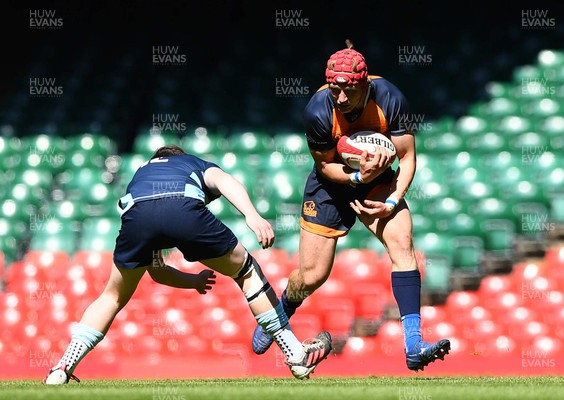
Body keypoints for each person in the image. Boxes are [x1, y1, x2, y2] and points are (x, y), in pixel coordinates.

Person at [43, 145, 332, 384]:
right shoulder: (191, 163)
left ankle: (61, 369)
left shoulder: (140, 174)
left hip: (138, 216)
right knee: (245, 271)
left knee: (112, 296)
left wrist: (191, 281)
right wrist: (251, 216)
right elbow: (225, 181)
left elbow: (154, 268)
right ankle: (295, 354)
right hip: (184, 209)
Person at [252, 41, 450, 371]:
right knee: (313, 276)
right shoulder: (317, 111)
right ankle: (283, 309)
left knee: (403, 245)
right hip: (330, 186)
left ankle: (414, 345)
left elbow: (408, 157)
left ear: (365, 84)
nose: (341, 98)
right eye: (335, 89)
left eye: (348, 90)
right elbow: (326, 166)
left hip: (379, 180)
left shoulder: (390, 98)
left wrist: (391, 199)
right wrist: (359, 176)